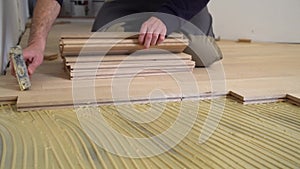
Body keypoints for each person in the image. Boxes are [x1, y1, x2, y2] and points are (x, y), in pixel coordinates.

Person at [19, 0, 222, 76]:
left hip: (179, 3)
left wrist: (166, 17)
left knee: (203, 55)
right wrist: (37, 41)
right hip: (127, 3)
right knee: (99, 49)